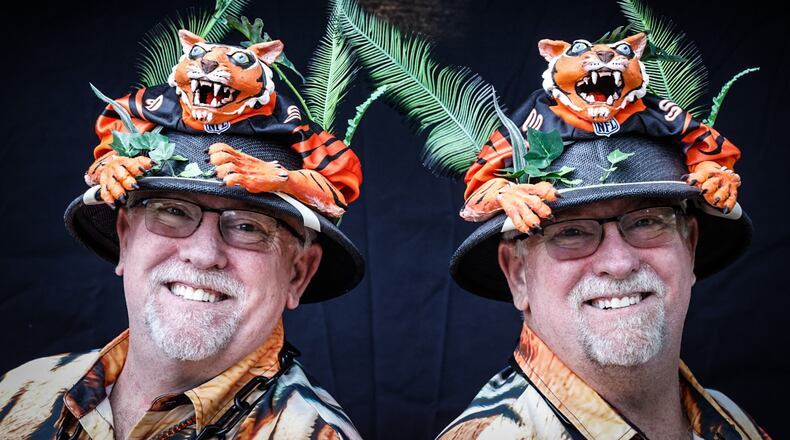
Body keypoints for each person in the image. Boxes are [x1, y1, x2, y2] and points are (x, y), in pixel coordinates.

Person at [0, 28, 365, 440]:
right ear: (124, 237)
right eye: (172, 211)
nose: (203, 252)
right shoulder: (17, 393)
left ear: (298, 273)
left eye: (247, 226)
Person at [431, 30, 770, 440]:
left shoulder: (737, 424)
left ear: (690, 247)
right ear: (517, 274)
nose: (618, 262)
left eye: (647, 222)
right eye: (570, 231)